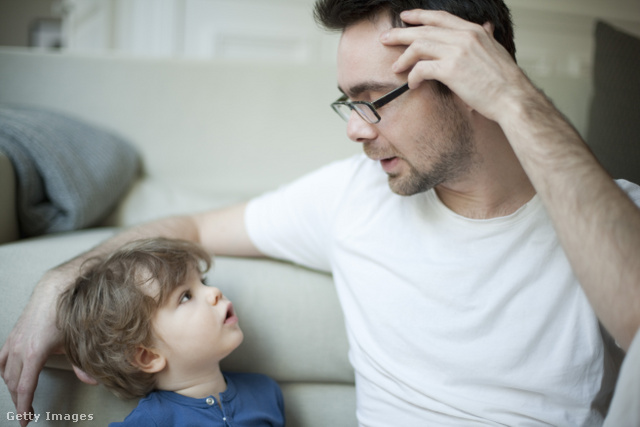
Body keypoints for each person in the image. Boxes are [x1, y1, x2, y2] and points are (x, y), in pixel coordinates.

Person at [2, 0, 640, 426]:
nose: (356, 132)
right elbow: (191, 230)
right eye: (348, 103)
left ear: (472, 74)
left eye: (375, 100)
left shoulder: (610, 213)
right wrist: (59, 281)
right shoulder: (351, 197)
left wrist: (513, 96)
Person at [56, 237, 285, 426]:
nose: (214, 291)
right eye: (185, 296)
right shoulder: (150, 421)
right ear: (149, 356)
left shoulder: (265, 391)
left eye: (203, 281)